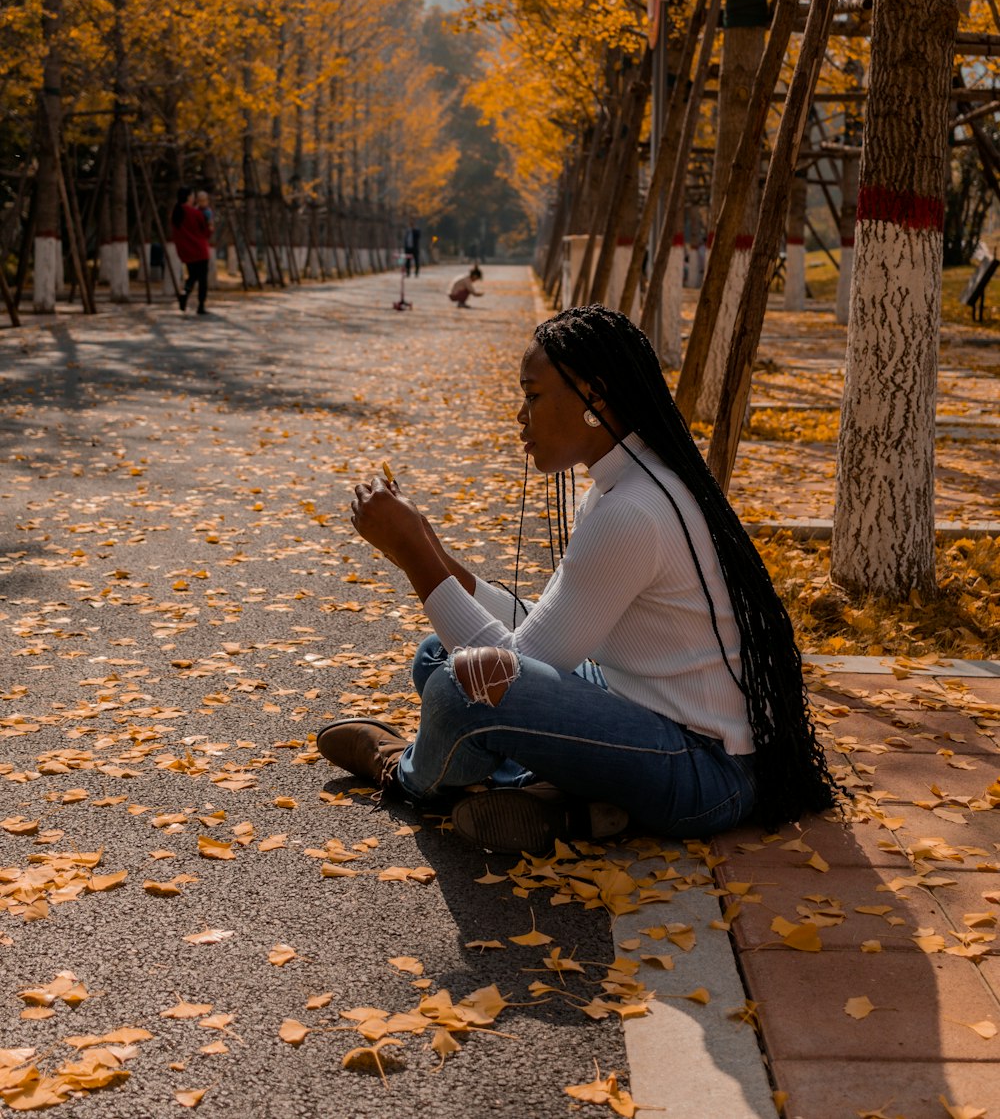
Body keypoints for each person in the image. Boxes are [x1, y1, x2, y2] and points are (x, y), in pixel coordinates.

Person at [317, 305, 838, 855]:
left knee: (458, 686)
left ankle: (406, 773)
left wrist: (414, 555)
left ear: (594, 395)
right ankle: (571, 807)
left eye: (533, 395)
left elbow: (507, 666)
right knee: (436, 653)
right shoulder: (629, 481)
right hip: (645, 713)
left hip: (703, 773)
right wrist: (431, 548)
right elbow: (545, 633)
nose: (521, 415)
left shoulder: (631, 510)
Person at [170, 186, 212, 315]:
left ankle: (185, 294)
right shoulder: (195, 213)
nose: (194, 198)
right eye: (193, 196)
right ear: (189, 197)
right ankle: (201, 305)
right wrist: (211, 226)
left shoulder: (176, 213)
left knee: (192, 276)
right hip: (199, 250)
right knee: (202, 279)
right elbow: (206, 232)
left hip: (186, 251)